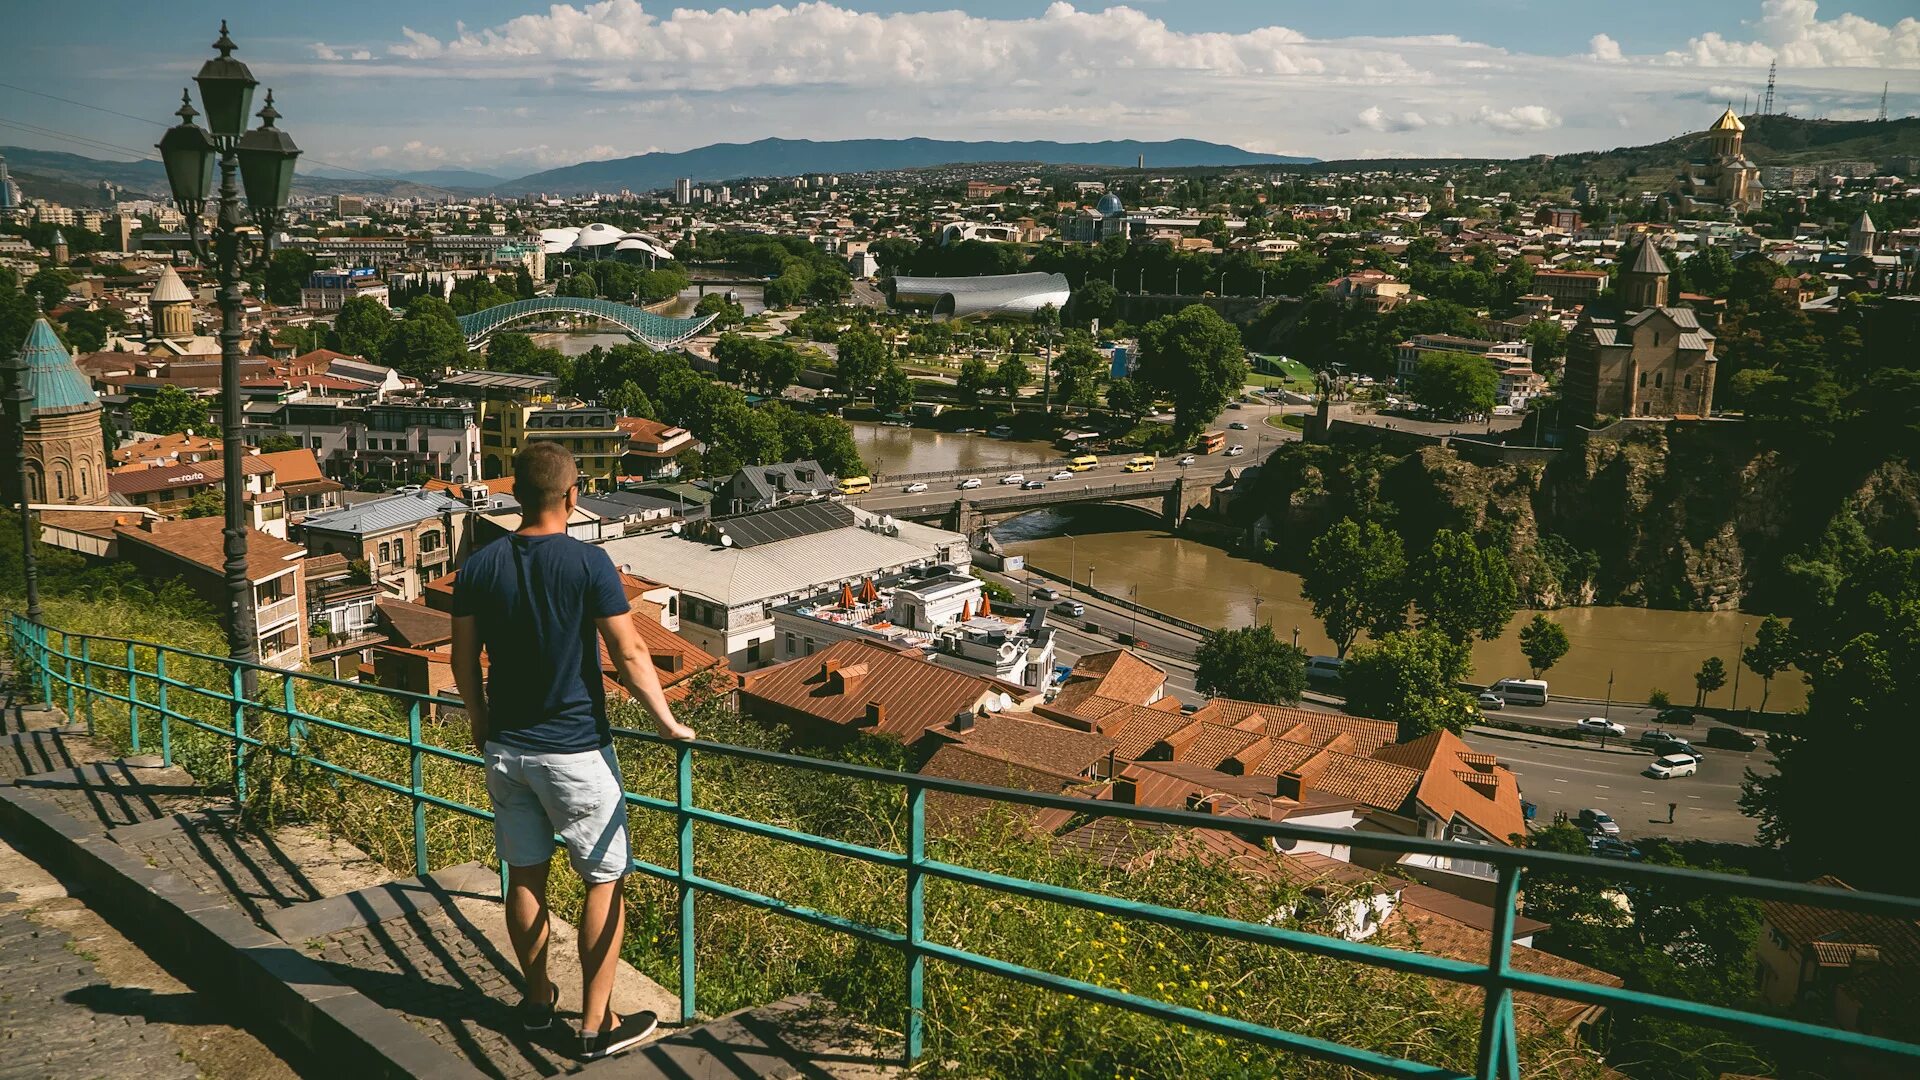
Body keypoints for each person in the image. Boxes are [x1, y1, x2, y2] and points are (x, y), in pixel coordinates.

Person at [450, 442, 696, 1061]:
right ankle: (596, 1027)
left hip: (506, 749)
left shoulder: (479, 564)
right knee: (604, 880)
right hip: (576, 750)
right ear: (573, 494)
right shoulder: (590, 564)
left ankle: (536, 1004)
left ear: (514, 494)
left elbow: (461, 659)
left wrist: (479, 721)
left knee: (525, 875)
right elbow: (630, 653)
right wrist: (668, 723)